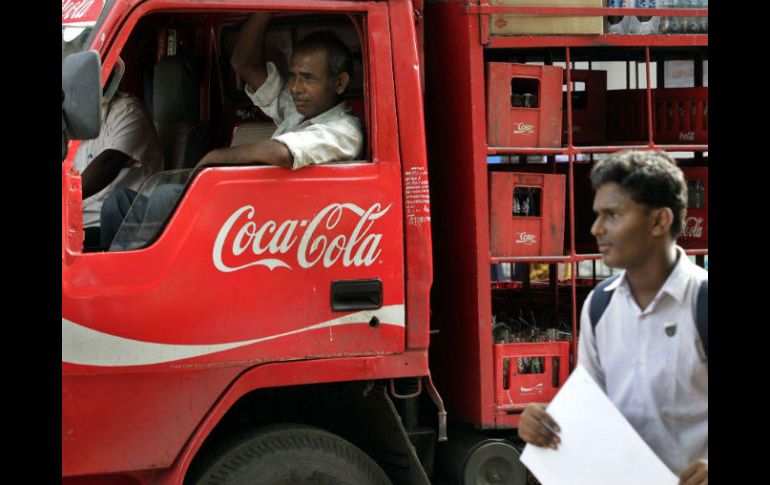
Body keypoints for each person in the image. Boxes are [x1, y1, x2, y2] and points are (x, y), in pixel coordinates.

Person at [517, 150, 708, 485]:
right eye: (597, 215)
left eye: (613, 215)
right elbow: (589, 410)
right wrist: (541, 423)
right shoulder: (600, 306)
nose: (597, 228)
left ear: (659, 221)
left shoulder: (701, 302)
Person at [99, 12, 363, 250]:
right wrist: (265, 8)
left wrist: (214, 158)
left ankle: (134, 279)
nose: (294, 87)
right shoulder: (297, 110)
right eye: (292, 76)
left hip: (279, 224)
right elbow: (244, 64)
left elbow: (281, 152)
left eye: (308, 78)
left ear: (339, 83)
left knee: (165, 196)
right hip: (253, 211)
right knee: (119, 202)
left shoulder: (344, 130)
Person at [72, 57, 162, 249]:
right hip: (79, 222)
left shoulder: (127, 111)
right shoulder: (76, 119)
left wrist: (67, 196)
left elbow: (109, 162)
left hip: (113, 225)